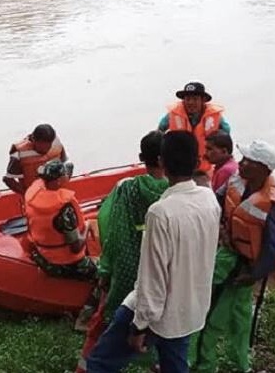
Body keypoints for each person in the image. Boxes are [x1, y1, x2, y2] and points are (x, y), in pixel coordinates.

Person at [85, 131, 221, 373]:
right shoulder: (209, 200)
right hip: (191, 307)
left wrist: (139, 326)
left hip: (157, 312)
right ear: (198, 161)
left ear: (161, 162)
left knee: (99, 363)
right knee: (174, 365)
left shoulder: (160, 213)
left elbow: (152, 278)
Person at [188, 140, 275, 373]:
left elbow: (273, 248)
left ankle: (205, 365)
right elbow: (214, 201)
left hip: (242, 266)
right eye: (243, 159)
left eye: (248, 161)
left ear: (263, 169)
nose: (242, 164)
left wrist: (253, 275)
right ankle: (235, 364)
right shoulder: (236, 181)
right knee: (236, 314)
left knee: (218, 316)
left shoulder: (270, 204)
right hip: (228, 254)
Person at [75, 131, 169, 373]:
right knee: (162, 327)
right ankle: (158, 364)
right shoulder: (174, 192)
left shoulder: (127, 189)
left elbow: (113, 231)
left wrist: (105, 270)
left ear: (141, 157)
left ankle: (87, 367)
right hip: (161, 272)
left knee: (104, 322)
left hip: (127, 269)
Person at [25, 160, 97, 280]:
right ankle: (96, 296)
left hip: (43, 256)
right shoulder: (64, 209)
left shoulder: (32, 198)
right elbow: (76, 247)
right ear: (59, 180)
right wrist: (88, 225)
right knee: (104, 271)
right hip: (65, 263)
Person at [158, 82, 230, 173]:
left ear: (203, 100)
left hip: (204, 169)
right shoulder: (173, 114)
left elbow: (226, 136)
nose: (190, 102)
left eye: (195, 99)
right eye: (187, 99)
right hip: (178, 169)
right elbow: (159, 133)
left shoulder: (215, 116)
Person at [3, 124, 68, 194]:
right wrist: (27, 194)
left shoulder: (57, 143)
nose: (45, 151)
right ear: (34, 139)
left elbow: (65, 164)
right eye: (41, 147)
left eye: (48, 147)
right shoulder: (19, 152)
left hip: (56, 194)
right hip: (33, 198)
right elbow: (8, 179)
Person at [204, 130, 238, 196]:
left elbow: (217, 199)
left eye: (209, 149)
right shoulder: (229, 166)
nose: (206, 153)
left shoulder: (225, 171)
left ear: (224, 151)